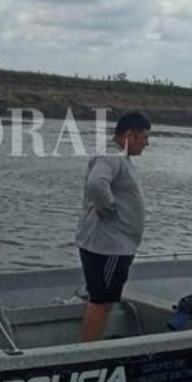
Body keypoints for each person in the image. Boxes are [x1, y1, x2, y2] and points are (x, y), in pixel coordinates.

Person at [75, 111, 151, 342]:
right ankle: (88, 356)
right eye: (144, 138)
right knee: (102, 302)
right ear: (129, 134)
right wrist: (108, 209)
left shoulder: (116, 155)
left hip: (112, 245)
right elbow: (97, 183)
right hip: (108, 247)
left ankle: (88, 348)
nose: (147, 144)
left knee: (98, 299)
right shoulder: (113, 156)